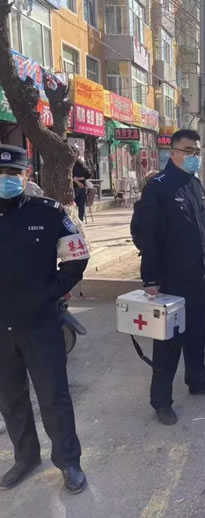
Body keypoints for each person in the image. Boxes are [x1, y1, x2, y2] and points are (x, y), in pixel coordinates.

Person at [0, 144, 89, 493]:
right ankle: (25, 458)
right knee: (10, 398)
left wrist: (53, 291)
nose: (5, 179)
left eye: (12, 173)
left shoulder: (48, 212)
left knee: (54, 397)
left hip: (41, 324)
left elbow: (77, 255)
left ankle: (68, 462)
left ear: (26, 175)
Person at [133, 129, 205, 426]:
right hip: (170, 279)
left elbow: (202, 227)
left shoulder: (194, 184)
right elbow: (147, 236)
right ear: (172, 152)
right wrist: (150, 279)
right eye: (188, 151)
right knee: (168, 343)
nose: (194, 157)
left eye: (197, 152)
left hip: (196, 275)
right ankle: (161, 401)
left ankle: (198, 380)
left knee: (197, 333)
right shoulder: (158, 188)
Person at [71, 148, 91, 222]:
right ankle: (77, 219)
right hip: (75, 186)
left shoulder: (80, 163)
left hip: (78, 187)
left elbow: (89, 174)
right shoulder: (69, 163)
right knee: (75, 204)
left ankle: (80, 219)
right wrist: (77, 181)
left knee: (80, 204)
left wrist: (78, 179)